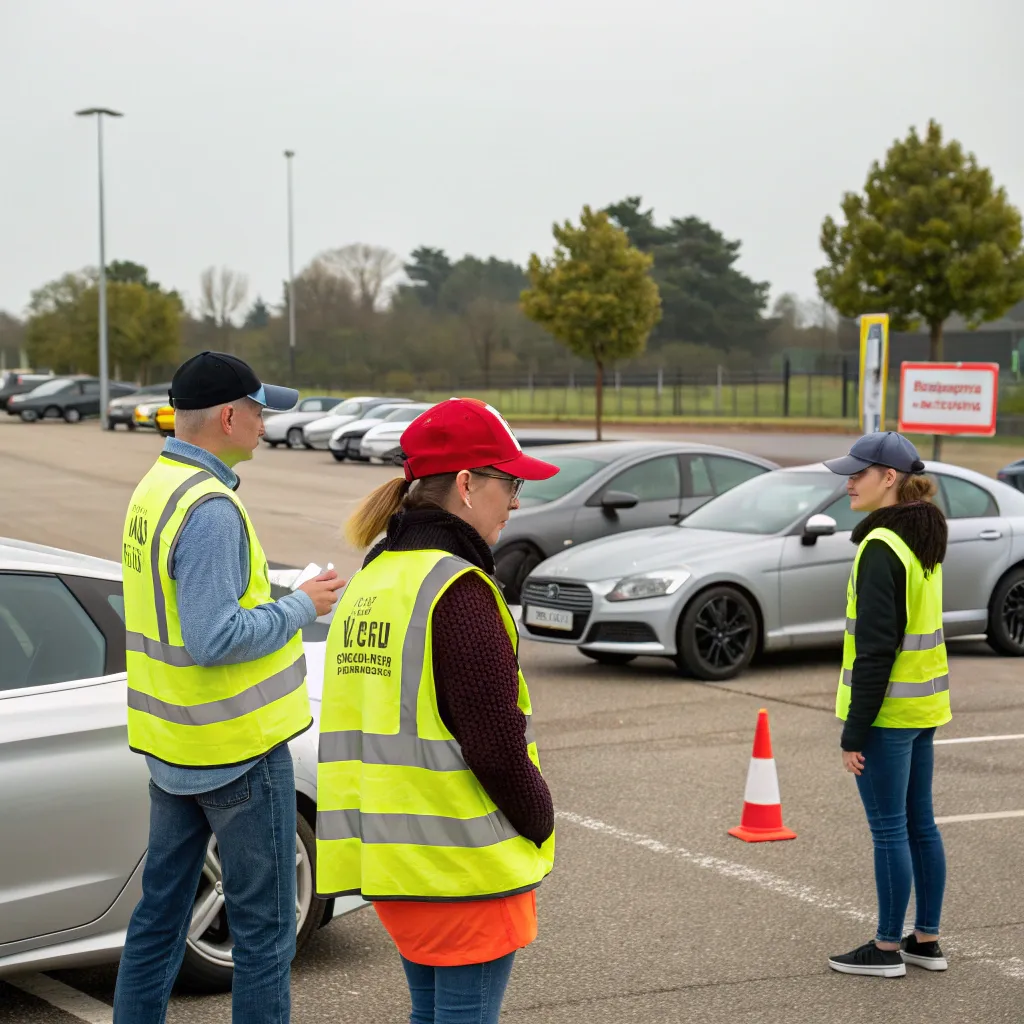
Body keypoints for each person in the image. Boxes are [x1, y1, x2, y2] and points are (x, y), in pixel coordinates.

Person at [113, 352, 345, 1024]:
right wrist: (302, 605)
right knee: (266, 931)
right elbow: (212, 638)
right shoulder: (211, 509)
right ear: (228, 415)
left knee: (160, 913)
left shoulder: (157, 487)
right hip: (235, 751)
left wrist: (269, 595)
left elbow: (183, 608)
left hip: (174, 746)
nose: (267, 422)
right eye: (260, 408)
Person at [316, 398, 557, 1024]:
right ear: (468, 484)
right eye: (511, 483)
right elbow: (494, 743)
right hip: (460, 862)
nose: (517, 501)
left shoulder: (374, 578)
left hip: (395, 862)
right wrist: (539, 815)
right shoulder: (460, 589)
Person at [823, 432, 951, 979]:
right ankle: (925, 939)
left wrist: (855, 733)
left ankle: (884, 949)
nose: (847, 482)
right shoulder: (921, 538)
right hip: (923, 709)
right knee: (920, 824)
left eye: (858, 473)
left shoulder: (881, 547)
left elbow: (876, 651)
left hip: (888, 715)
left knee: (890, 830)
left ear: (889, 478)